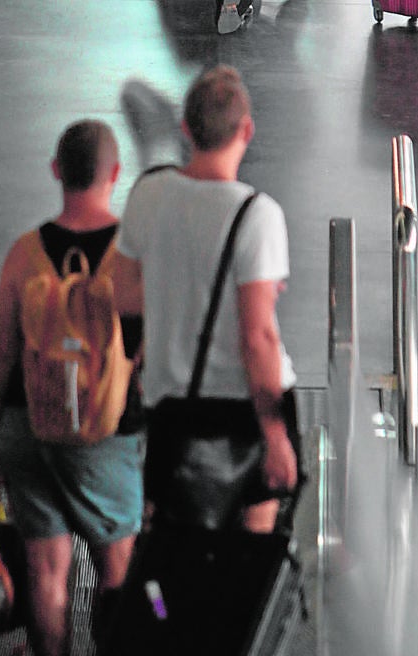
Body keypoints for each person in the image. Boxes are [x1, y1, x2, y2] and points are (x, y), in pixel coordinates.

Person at [0, 120, 144, 656]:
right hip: (106, 438)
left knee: (47, 577)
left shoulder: (25, 255)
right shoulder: (129, 259)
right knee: (118, 569)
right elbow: (149, 358)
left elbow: (1, 357)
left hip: (30, 427)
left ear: (55, 171)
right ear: (115, 174)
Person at [109, 64, 298, 534]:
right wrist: (275, 435)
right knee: (245, 565)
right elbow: (258, 338)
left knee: (173, 562)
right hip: (244, 416)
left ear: (186, 128)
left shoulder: (148, 194)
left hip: (172, 410)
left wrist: (178, 286)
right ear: (246, 130)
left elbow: (123, 295)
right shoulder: (259, 216)